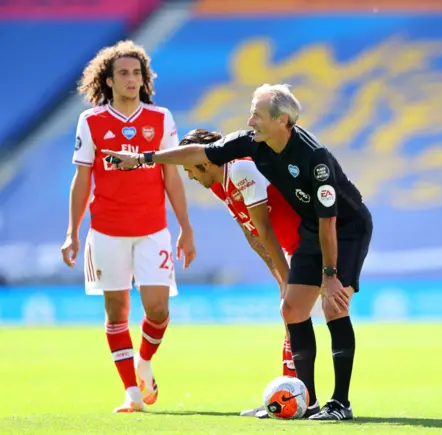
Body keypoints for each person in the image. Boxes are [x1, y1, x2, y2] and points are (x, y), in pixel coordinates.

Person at [103, 84, 373, 421]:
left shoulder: (314, 158)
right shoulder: (249, 143)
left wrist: (330, 277)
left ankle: (341, 403)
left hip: (346, 228)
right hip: (311, 227)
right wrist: (143, 159)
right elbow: (197, 154)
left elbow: (330, 221)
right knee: (292, 309)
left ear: (282, 120)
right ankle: (309, 400)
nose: (250, 120)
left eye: (257, 115)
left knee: (333, 307)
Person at [60, 40, 196, 413]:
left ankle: (144, 361)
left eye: (137, 73)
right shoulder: (91, 121)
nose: (132, 79)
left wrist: (185, 226)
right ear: (108, 80)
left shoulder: (161, 118)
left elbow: (172, 176)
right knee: (116, 312)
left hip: (153, 230)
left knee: (157, 309)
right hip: (106, 231)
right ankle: (132, 395)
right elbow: (82, 179)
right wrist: (73, 232)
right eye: (123, 73)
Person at [178, 128, 303, 418]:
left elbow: (265, 228)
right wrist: (278, 275)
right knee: (292, 316)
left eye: (189, 170)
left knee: (299, 314)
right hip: (291, 250)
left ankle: (302, 395)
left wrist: (286, 276)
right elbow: (251, 233)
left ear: (204, 162)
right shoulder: (219, 184)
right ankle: (291, 393)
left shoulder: (241, 167)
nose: (190, 178)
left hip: (309, 243)